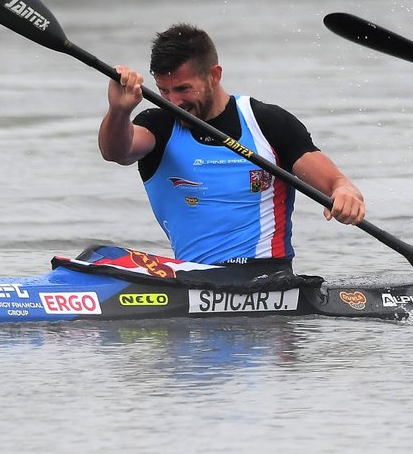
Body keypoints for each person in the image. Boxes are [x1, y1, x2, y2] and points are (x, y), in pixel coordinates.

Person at [98, 23, 365, 273]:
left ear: (214, 75)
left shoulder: (266, 123)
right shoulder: (158, 126)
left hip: (268, 280)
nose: (173, 102)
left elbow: (336, 182)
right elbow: (116, 151)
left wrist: (345, 194)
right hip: (192, 280)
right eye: (163, 91)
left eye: (183, 89)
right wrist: (119, 111)